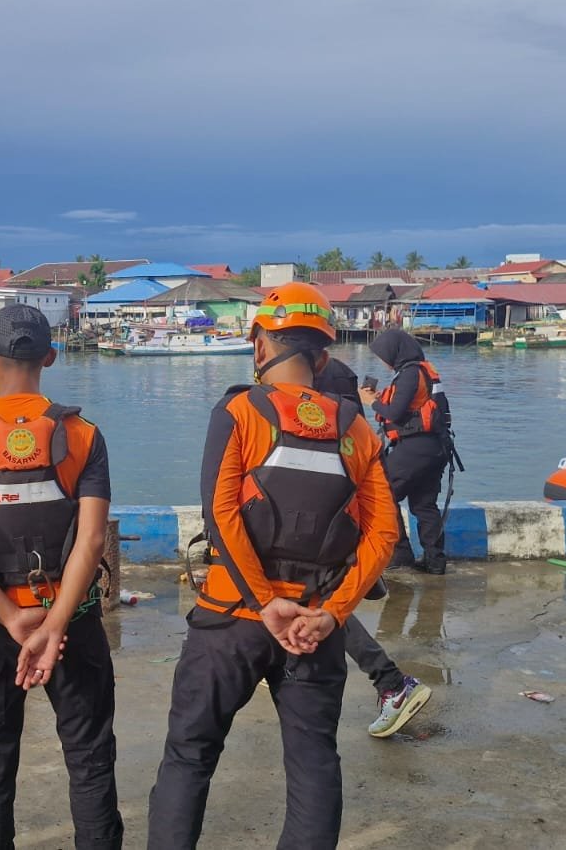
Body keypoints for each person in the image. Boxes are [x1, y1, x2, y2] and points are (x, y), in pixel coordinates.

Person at [148, 282, 398, 849]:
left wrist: (263, 603)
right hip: (313, 628)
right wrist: (332, 614)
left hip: (232, 619)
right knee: (313, 765)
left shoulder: (240, 410)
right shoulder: (356, 428)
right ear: (324, 357)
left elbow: (221, 513)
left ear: (260, 346)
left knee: (189, 756)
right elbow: (384, 531)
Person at [0, 304, 123, 849]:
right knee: (89, 760)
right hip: (73, 624)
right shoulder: (83, 434)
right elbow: (90, 540)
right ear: (50, 356)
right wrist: (57, 623)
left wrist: (12, 615)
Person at [312, 356, 433, 738]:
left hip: (324, 542)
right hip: (343, 538)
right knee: (320, 609)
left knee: (322, 609)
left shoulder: (321, 430)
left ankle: (392, 682)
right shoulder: (356, 433)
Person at [359, 329, 453, 575]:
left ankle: (400, 554)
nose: (382, 361)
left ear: (394, 352)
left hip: (415, 447)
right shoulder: (421, 370)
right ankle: (435, 561)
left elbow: (395, 414)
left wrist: (371, 402)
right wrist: (382, 399)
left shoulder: (410, 373)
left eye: (383, 356)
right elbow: (410, 407)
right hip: (436, 448)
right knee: (424, 505)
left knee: (383, 494)